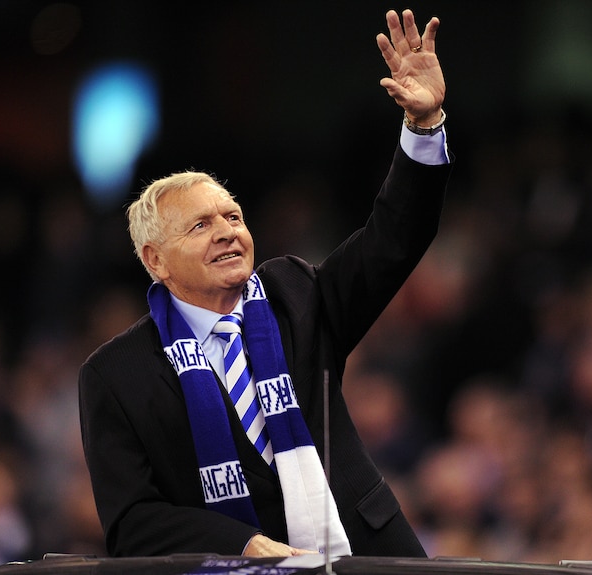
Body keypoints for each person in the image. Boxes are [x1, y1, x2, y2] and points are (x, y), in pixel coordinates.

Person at [78, 8, 452, 559]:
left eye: (233, 217)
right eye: (201, 226)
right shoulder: (115, 375)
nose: (228, 233)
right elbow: (132, 521)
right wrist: (242, 544)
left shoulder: (294, 294)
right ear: (155, 259)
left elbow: (391, 240)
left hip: (366, 555)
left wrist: (423, 129)